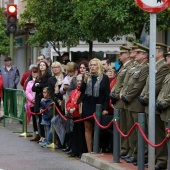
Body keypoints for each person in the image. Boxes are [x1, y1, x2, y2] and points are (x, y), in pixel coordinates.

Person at [140, 43, 169, 170]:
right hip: (157, 105)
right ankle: (156, 159)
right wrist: (144, 96)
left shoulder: (163, 68)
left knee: (160, 135)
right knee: (154, 134)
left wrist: (160, 102)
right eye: (167, 56)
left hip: (162, 107)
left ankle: (161, 160)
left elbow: (157, 87)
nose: (167, 58)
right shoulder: (164, 71)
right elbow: (150, 85)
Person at [120, 44, 149, 165]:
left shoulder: (145, 67)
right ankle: (133, 152)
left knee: (139, 131)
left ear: (144, 55)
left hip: (136, 102)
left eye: (138, 53)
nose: (135, 54)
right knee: (130, 130)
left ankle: (141, 154)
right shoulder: (136, 67)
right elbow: (128, 83)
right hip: (129, 102)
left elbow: (138, 85)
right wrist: (124, 94)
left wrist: (128, 96)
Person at [80, 58, 110, 152]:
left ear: (99, 66)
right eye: (91, 65)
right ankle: (89, 150)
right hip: (88, 104)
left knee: (99, 128)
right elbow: (82, 91)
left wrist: (105, 108)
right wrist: (84, 81)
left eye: (94, 65)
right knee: (88, 127)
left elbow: (107, 94)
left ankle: (98, 148)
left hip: (99, 105)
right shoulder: (86, 77)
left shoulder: (104, 77)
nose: (92, 67)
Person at [110, 46, 132, 157]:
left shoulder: (130, 66)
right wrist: (113, 92)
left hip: (121, 99)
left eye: (122, 53)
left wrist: (116, 94)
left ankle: (125, 149)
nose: (120, 55)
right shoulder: (124, 67)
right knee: (120, 125)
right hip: (118, 98)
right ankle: (122, 148)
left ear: (128, 55)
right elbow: (118, 82)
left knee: (124, 126)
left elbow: (125, 84)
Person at [66, 74, 87, 158]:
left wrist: (75, 108)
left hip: (80, 115)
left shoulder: (84, 91)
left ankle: (81, 151)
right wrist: (68, 108)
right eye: (77, 81)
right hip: (72, 115)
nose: (79, 82)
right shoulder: (73, 91)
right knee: (73, 134)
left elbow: (81, 102)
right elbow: (69, 101)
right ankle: (74, 151)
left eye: (80, 81)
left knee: (80, 134)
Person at [155, 51, 170, 170]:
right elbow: (162, 90)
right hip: (165, 111)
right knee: (165, 137)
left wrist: (163, 103)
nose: (167, 58)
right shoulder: (168, 74)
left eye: (169, 57)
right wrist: (159, 101)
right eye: (167, 56)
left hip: (167, 108)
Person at [32, 61, 51, 143]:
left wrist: (39, 85)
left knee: (45, 118)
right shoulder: (38, 76)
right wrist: (38, 86)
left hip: (44, 98)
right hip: (38, 98)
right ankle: (41, 135)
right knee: (39, 118)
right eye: (41, 65)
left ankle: (45, 136)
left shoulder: (48, 76)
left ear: (46, 67)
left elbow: (46, 85)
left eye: (44, 65)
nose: (42, 67)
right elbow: (33, 88)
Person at [25, 66, 39, 141]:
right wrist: (32, 99)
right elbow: (27, 92)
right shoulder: (29, 82)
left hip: (39, 103)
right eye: (34, 72)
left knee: (39, 119)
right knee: (34, 119)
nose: (35, 74)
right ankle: (35, 133)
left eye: (36, 72)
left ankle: (40, 134)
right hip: (32, 103)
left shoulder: (40, 80)